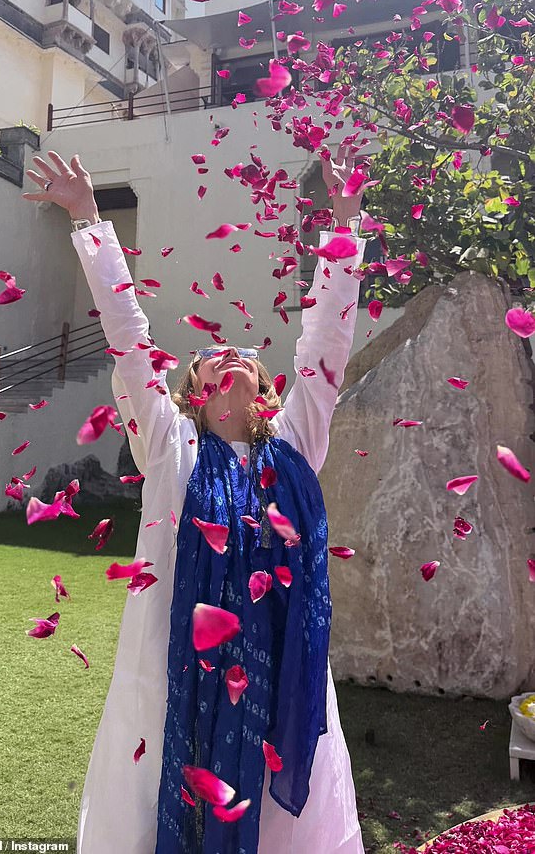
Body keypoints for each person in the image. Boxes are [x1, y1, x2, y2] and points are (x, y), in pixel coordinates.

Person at [23, 147, 367, 854]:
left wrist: (346, 226)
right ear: (192, 390)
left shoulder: (297, 443)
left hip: (278, 680)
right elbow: (129, 340)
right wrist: (89, 218)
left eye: (245, 350)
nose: (232, 350)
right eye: (214, 351)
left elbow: (325, 338)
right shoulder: (170, 449)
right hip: (174, 671)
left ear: (269, 390)